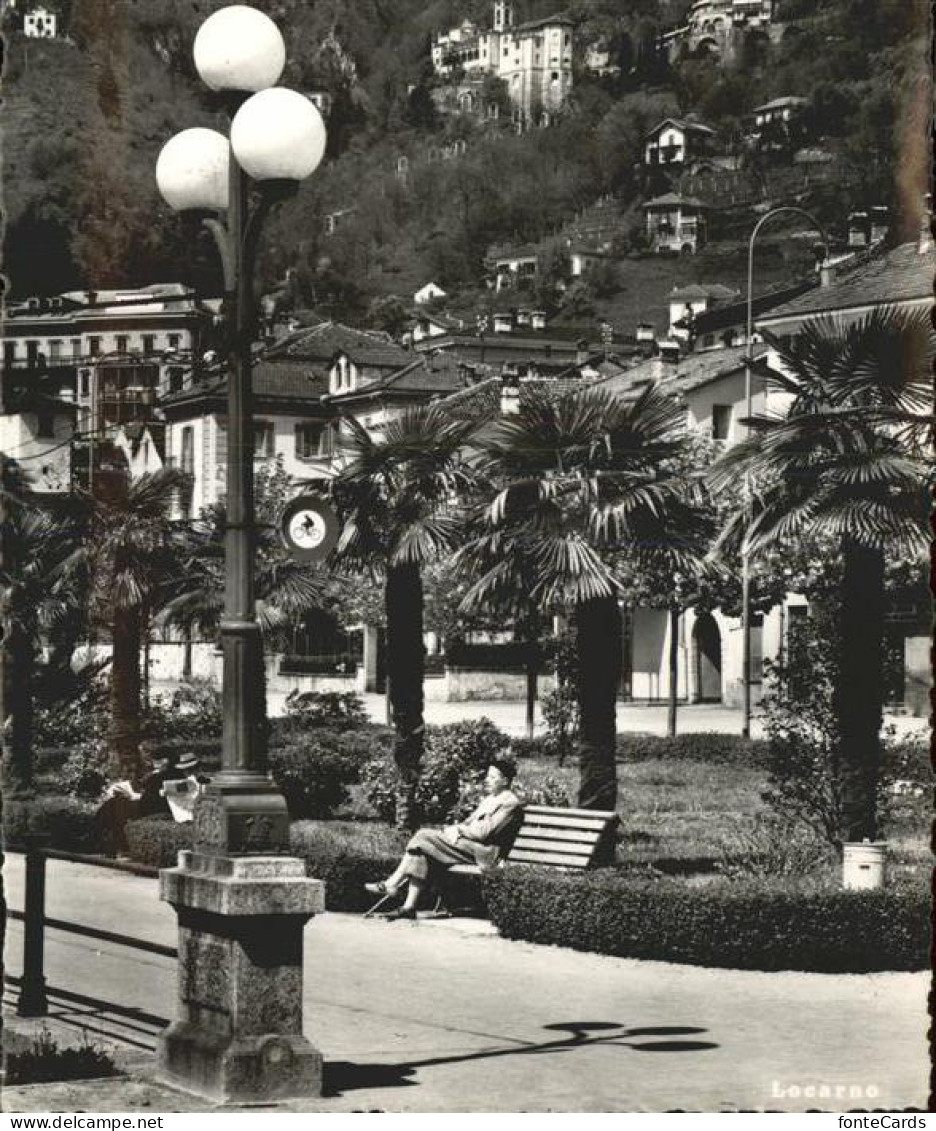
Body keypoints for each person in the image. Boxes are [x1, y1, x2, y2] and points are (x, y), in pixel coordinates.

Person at [365, 758, 523, 921]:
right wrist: (455, 828)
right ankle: (408, 907)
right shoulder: (490, 799)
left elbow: (484, 833)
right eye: (487, 776)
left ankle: (392, 883)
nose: (486, 780)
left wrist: (459, 830)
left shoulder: (509, 803)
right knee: (421, 850)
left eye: (492, 777)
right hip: (469, 847)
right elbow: (469, 822)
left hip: (485, 854)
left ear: (505, 781)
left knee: (423, 835)